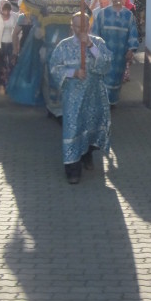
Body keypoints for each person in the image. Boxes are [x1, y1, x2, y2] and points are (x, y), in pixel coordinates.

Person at [49, 12, 112, 184]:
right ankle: (72, 169)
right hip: (73, 97)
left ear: (89, 26)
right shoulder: (63, 46)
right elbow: (54, 67)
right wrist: (74, 72)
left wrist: (90, 45)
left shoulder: (98, 42)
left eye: (83, 26)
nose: (80, 30)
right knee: (72, 129)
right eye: (76, 26)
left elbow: (106, 63)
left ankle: (87, 156)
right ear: (72, 27)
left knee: (90, 126)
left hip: (94, 94)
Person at [91, 0, 139, 104]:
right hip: (105, 52)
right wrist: (95, 49)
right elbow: (95, 32)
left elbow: (133, 33)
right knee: (104, 76)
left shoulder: (128, 15)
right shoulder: (103, 14)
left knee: (117, 77)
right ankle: (104, 102)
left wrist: (131, 50)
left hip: (120, 53)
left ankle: (113, 101)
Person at [0, 0, 18, 95]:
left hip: (10, 44)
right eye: (3, 8)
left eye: (7, 9)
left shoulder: (14, 16)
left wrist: (17, 46)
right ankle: (1, 85)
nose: (6, 12)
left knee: (10, 65)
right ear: (0, 7)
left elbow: (17, 32)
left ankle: (8, 85)